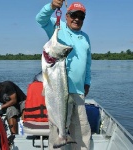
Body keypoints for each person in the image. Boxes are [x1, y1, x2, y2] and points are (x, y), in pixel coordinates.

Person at [36, 1, 92, 149]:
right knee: (57, 128)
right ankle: (60, 139)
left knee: (82, 130)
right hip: (57, 92)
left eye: (81, 16)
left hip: (78, 91)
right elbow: (40, 19)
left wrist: (87, 82)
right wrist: (52, 6)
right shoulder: (58, 27)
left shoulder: (85, 38)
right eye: (74, 15)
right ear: (67, 15)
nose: (77, 19)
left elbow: (88, 64)